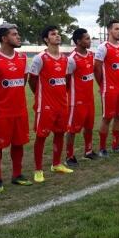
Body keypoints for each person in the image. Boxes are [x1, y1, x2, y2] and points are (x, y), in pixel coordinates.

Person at [0, 23, 32, 193]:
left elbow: (22, 81)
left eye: (18, 34)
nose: (18, 37)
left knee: (19, 143)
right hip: (0, 111)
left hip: (20, 110)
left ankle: (17, 175)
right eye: (14, 34)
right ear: (4, 38)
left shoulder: (23, 58)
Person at [29, 26, 74, 183]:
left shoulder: (66, 59)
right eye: (53, 34)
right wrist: (42, 96)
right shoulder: (40, 58)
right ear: (46, 39)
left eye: (58, 33)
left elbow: (67, 80)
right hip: (45, 106)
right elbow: (32, 81)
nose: (57, 36)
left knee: (60, 133)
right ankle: (38, 169)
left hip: (62, 104)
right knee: (41, 136)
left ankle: (56, 164)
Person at [94, 20, 119, 156]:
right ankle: (102, 148)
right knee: (107, 118)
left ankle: (116, 144)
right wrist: (102, 84)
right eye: (116, 29)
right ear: (109, 31)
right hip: (109, 89)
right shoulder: (103, 47)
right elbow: (96, 67)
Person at [65, 28, 97, 165]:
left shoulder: (91, 55)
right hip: (76, 101)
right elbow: (66, 80)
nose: (89, 41)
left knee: (89, 126)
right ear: (78, 41)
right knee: (72, 129)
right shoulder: (71, 59)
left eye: (89, 38)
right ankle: (69, 156)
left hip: (89, 98)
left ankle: (88, 151)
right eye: (87, 38)